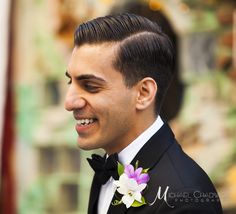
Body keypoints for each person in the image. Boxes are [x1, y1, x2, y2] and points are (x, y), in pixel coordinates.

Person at [64, 13, 223, 214]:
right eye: (71, 81)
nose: (69, 102)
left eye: (90, 86)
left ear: (143, 93)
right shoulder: (108, 167)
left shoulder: (186, 200)